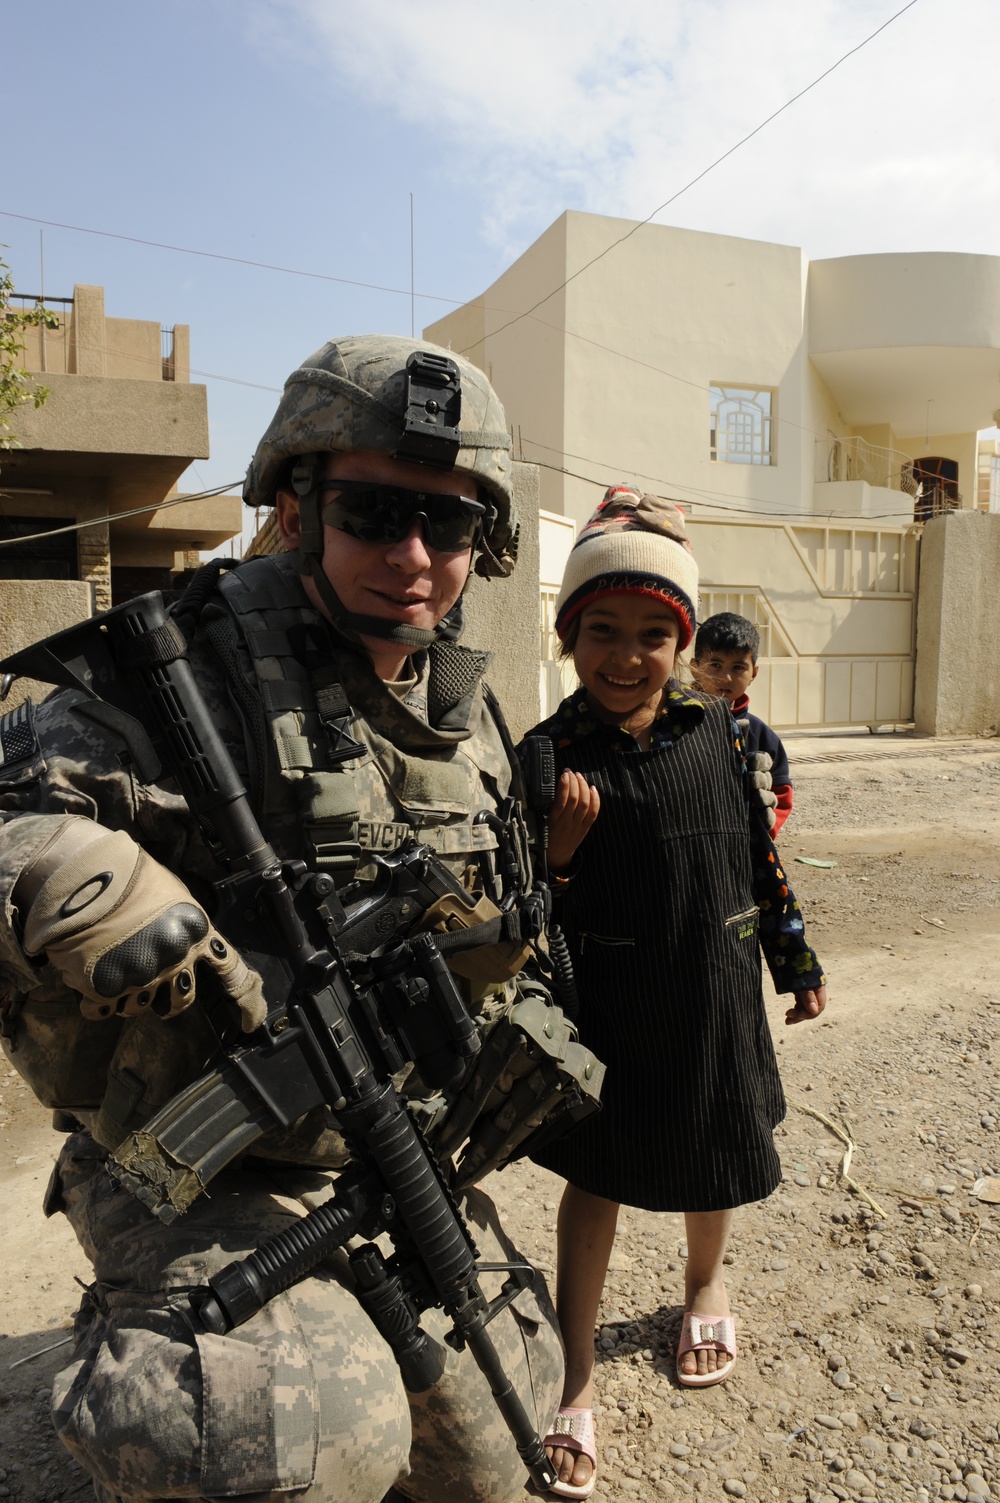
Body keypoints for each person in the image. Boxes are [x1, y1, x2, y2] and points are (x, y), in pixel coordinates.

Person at [0, 336, 568, 1503]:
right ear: (296, 504)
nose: (414, 558)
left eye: (451, 527)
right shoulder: (180, 663)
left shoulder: (466, 707)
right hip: (189, 1158)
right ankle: (144, 1332)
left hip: (385, 1146)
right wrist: (65, 870)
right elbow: (16, 800)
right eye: (372, 512)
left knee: (502, 1446)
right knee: (277, 1437)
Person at [522, 485, 828, 1500]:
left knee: (714, 1141)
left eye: (653, 632)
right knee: (598, 1172)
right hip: (606, 1004)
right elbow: (516, 912)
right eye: (601, 630)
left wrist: (794, 961)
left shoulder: (719, 731)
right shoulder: (548, 754)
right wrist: (558, 856)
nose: (626, 654)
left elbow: (755, 855)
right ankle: (573, 1379)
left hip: (712, 986)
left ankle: (704, 1281)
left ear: (682, 638)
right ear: (569, 637)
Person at [692, 611, 794, 835]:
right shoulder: (676, 721)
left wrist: (765, 829)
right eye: (715, 665)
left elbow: (781, 792)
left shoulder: (760, 735)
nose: (726, 677)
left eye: (738, 667)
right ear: (695, 667)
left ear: (754, 673)